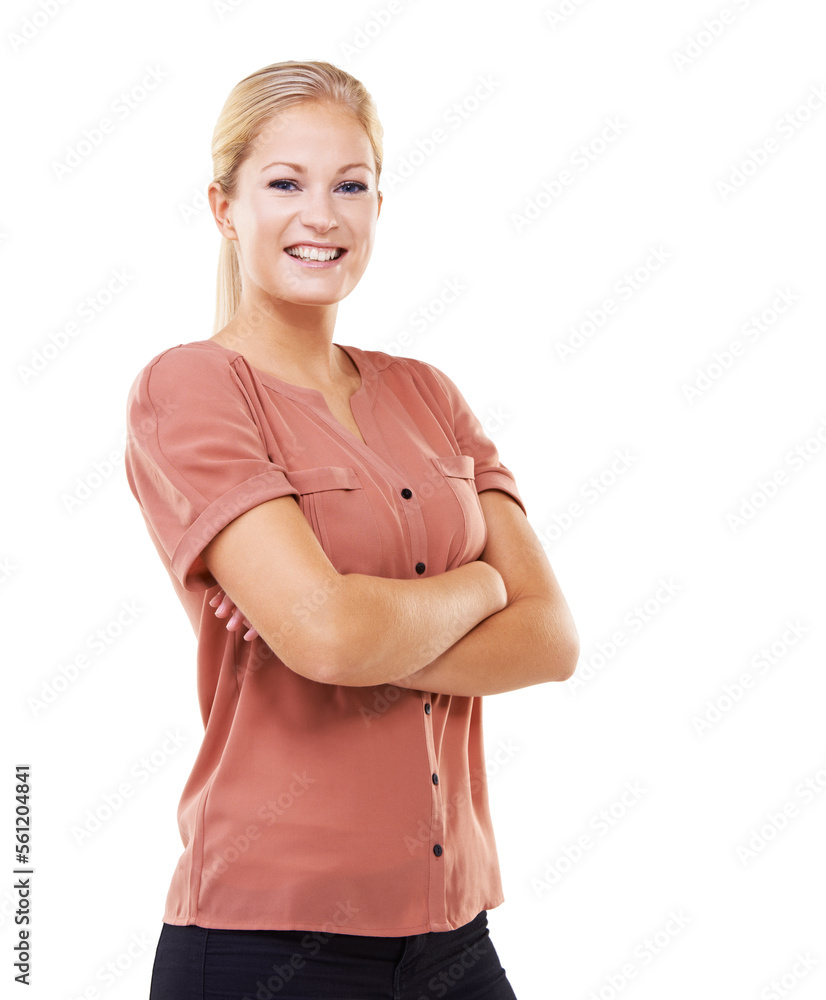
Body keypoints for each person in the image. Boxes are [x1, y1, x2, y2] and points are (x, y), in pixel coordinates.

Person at [124, 59, 579, 1000]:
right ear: (223, 207)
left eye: (351, 185)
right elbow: (329, 635)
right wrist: (478, 588)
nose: (320, 216)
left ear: (378, 204)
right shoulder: (191, 389)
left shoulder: (427, 394)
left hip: (455, 933)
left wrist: (355, 630)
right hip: (268, 940)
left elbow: (551, 639)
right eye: (284, 183)